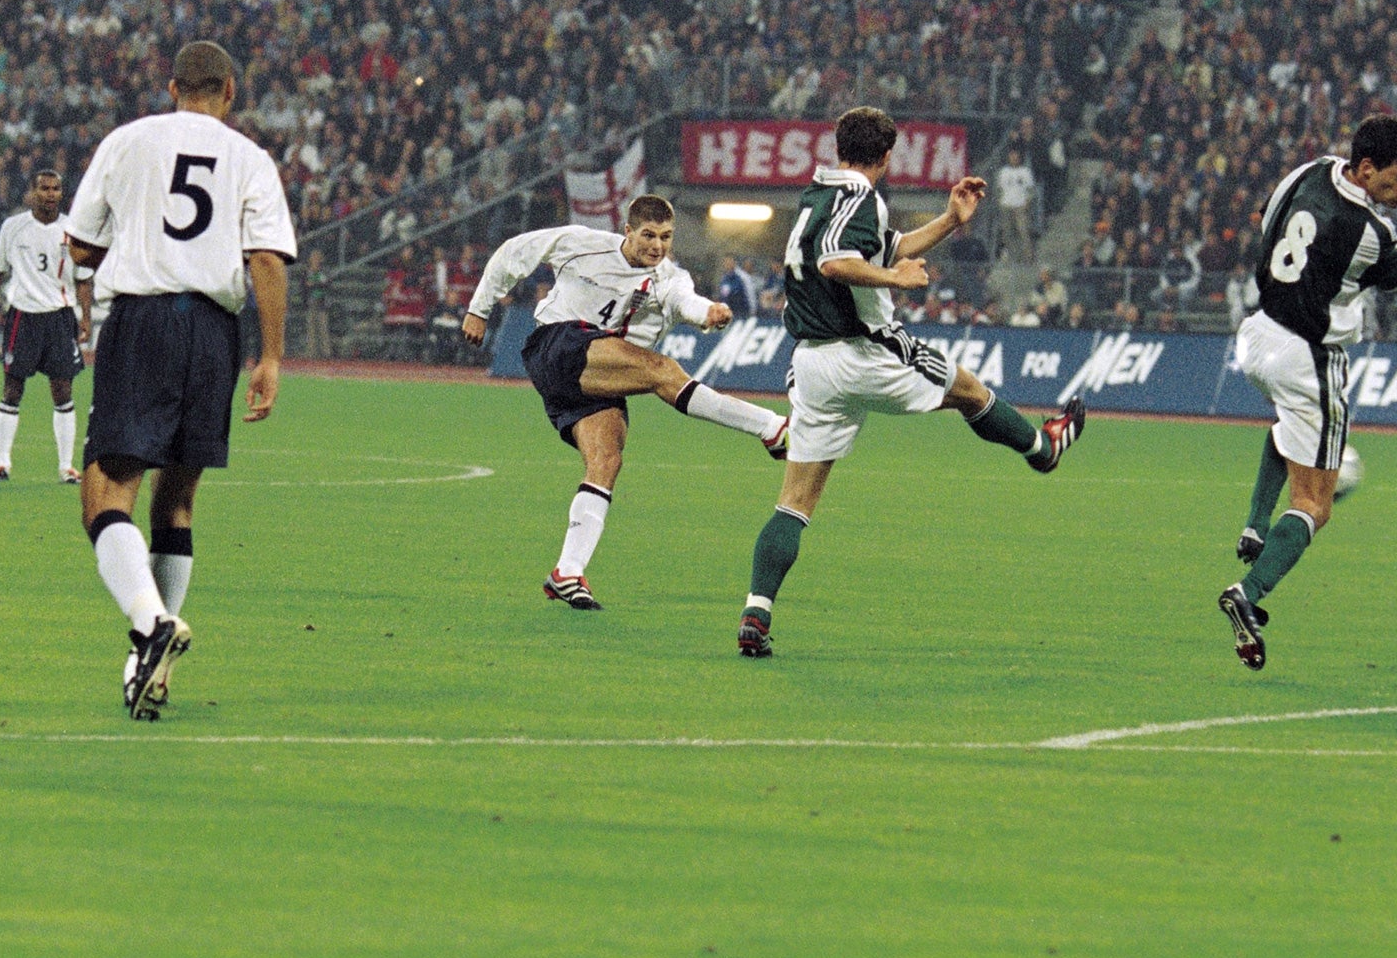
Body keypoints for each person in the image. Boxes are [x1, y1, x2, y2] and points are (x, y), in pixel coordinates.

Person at [735, 107, 1087, 658]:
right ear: (888, 154)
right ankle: (1043, 449)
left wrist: (950, 221)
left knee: (795, 502)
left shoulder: (818, 196)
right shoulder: (860, 197)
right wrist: (892, 279)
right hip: (864, 349)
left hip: (812, 363)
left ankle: (757, 610)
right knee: (969, 391)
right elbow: (837, 263)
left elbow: (882, 247)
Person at [65, 40, 293, 720]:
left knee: (107, 489)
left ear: (172, 87)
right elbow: (267, 262)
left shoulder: (128, 141)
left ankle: (148, 623)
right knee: (180, 497)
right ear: (230, 91)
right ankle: (151, 667)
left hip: (143, 320)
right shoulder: (251, 158)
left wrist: (131, 236)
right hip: (214, 333)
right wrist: (271, 357)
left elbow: (79, 243)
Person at [461, 196, 789, 612]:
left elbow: (685, 302)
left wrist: (709, 312)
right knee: (662, 371)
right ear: (628, 232)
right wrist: (479, 308)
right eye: (649, 235)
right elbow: (514, 253)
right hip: (557, 344)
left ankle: (567, 571)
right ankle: (771, 427)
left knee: (606, 461)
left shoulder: (669, 276)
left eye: (666, 237)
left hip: (596, 372)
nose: (657, 246)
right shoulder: (582, 243)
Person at [1220, 117, 1397, 669]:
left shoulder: (1308, 171)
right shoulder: (1368, 232)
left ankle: (1256, 526)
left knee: (1286, 425)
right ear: (1368, 169)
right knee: (1315, 504)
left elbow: (1266, 221)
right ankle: (1248, 595)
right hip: (1310, 356)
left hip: (1259, 334)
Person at [0, 169, 91, 482]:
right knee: (12, 389)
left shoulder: (73, 230)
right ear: (33, 192)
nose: (50, 194)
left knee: (63, 390)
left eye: (56, 188)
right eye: (44, 188)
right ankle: (2, 463)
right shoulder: (13, 227)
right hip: (23, 316)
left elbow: (83, 279)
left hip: (59, 317)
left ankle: (66, 466)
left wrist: (86, 317)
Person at [996, 148, 1036, 261]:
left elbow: (1031, 189)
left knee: (1023, 230)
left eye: (1016, 156)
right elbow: (999, 188)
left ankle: (1028, 256)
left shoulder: (1025, 172)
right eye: (1012, 155)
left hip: (1020, 205)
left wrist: (1027, 202)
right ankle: (1013, 255)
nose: (1014, 158)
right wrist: (1001, 201)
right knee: (1007, 232)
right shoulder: (1004, 171)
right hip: (1006, 204)